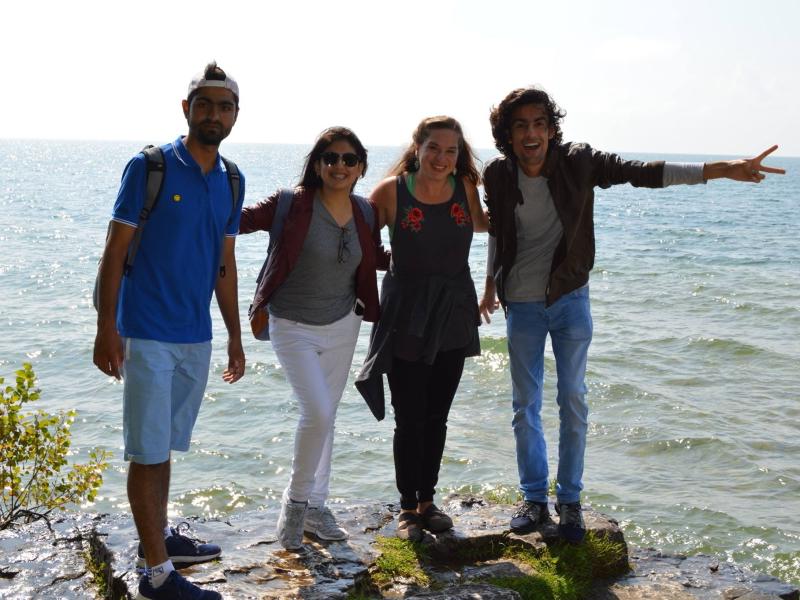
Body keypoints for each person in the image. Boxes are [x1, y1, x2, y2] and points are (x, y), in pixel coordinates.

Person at [479, 86, 785, 543]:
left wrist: (722, 170)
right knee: (525, 405)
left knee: (574, 401)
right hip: (521, 303)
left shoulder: (579, 161)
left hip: (569, 299)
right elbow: (500, 235)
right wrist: (488, 285)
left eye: (539, 123)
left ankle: (571, 501)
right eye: (520, 125)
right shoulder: (498, 175)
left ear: (551, 129)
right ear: (507, 134)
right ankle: (533, 498)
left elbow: (643, 173)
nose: (531, 133)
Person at [93, 62, 245, 600]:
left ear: (234, 115)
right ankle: (157, 574)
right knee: (148, 450)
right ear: (187, 109)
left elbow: (224, 264)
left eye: (223, 106)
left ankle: (155, 539)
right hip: (147, 328)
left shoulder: (232, 178)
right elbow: (115, 250)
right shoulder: (150, 166)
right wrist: (105, 328)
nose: (213, 114)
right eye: (203, 105)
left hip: (194, 333)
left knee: (165, 445)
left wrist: (233, 334)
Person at [239, 127, 386, 551]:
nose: (339, 165)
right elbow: (236, 221)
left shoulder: (366, 212)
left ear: (361, 167)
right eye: (331, 157)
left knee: (328, 415)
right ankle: (295, 505)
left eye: (349, 159)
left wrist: (428, 264)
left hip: (344, 322)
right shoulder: (291, 204)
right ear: (318, 163)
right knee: (316, 412)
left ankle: (317, 507)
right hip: (291, 324)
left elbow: (373, 258)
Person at [356, 116, 489, 542]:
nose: (441, 158)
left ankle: (429, 501)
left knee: (437, 416)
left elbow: (490, 226)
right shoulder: (391, 192)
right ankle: (407, 507)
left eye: (451, 151)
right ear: (417, 147)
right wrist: (381, 271)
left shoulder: (465, 190)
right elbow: (357, 237)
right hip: (407, 314)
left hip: (453, 312)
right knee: (408, 416)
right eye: (434, 148)